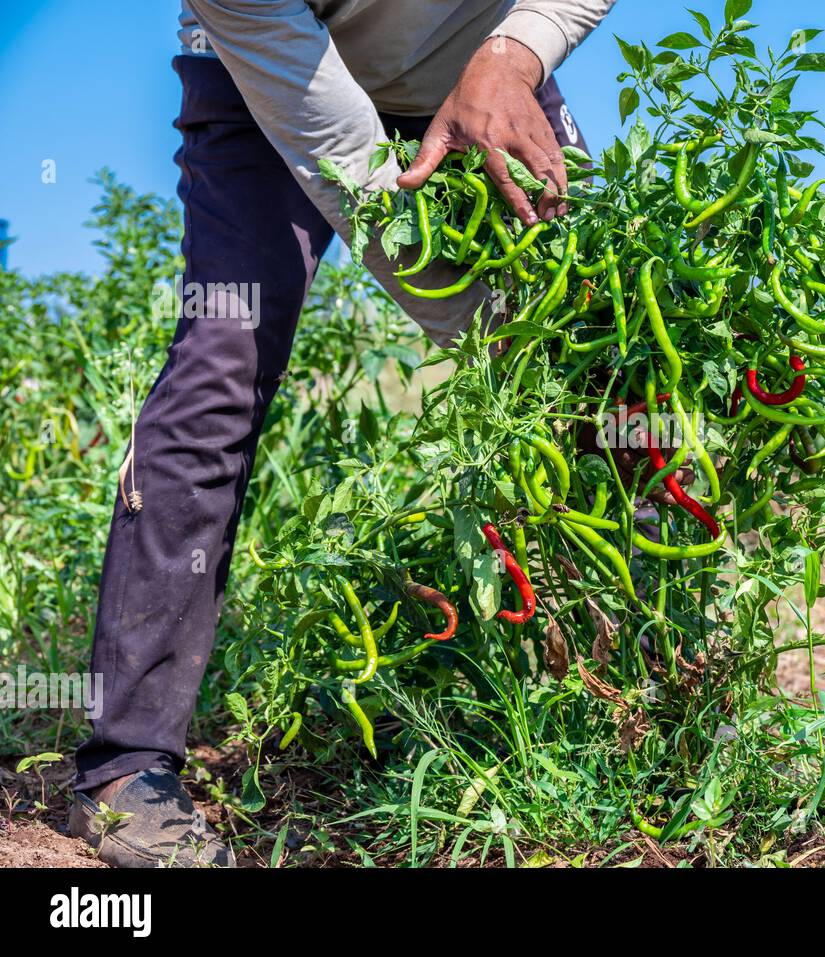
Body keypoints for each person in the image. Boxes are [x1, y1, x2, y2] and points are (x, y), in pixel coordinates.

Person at [69, 0, 615, 869]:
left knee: (598, 340)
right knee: (224, 361)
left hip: (477, 69)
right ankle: (125, 766)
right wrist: (487, 322)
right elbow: (354, 173)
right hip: (270, 73)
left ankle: (636, 685)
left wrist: (516, 52)